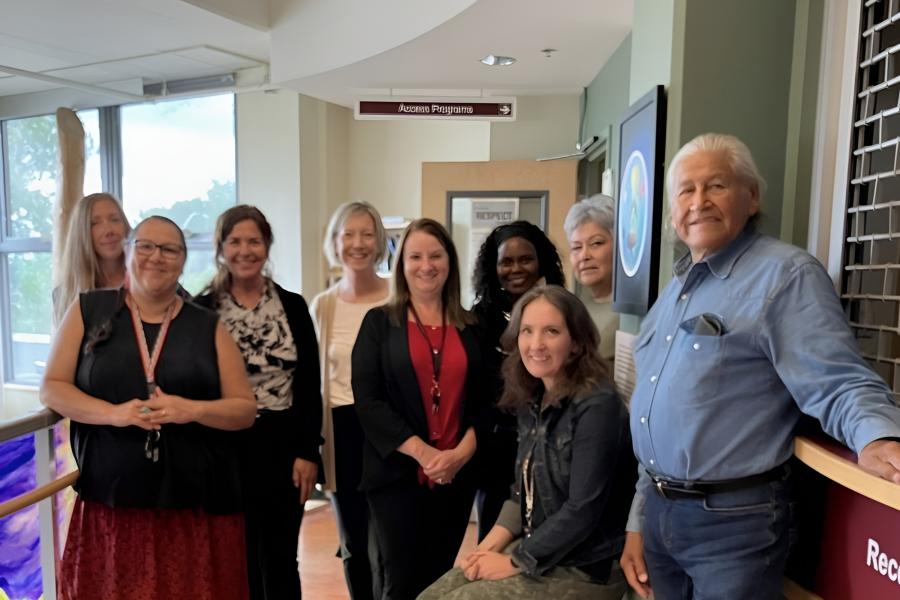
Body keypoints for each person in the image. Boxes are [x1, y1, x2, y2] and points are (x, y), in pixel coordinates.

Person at [619, 133, 900, 600]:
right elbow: (654, 418)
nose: (699, 202)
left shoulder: (785, 276)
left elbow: (836, 380)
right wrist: (637, 521)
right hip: (660, 512)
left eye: (717, 186)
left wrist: (875, 436)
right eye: (686, 190)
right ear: (671, 212)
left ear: (751, 198)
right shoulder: (675, 290)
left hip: (733, 524)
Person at [41, 216, 256, 600]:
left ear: (183, 260)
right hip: (111, 506)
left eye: (170, 249)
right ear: (127, 251)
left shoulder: (208, 326)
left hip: (193, 509)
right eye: (145, 246)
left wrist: (192, 410)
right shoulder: (89, 310)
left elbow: (243, 410)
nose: (156, 257)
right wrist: (114, 413)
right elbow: (53, 389)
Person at [420, 285, 636, 600]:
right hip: (540, 548)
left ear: (576, 343)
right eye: (527, 331)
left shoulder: (597, 406)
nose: (536, 344)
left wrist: (516, 560)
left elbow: (583, 509)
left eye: (551, 331)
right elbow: (521, 491)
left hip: (586, 567)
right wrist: (487, 547)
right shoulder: (532, 396)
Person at [351, 218, 486, 599]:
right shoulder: (378, 324)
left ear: (450, 262)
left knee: (438, 578)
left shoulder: (472, 327)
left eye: (436, 255)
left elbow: (488, 404)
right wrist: (426, 455)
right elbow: (369, 401)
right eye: (415, 256)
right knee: (400, 581)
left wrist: (458, 456)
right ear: (401, 264)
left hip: (456, 478)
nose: (426, 265)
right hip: (396, 475)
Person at [195, 205, 323, 600]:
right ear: (221, 248)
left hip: (283, 447)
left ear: (267, 246)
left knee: (282, 556)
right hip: (225, 447)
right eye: (235, 241)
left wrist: (307, 451)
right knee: (237, 556)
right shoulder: (201, 310)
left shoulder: (293, 305)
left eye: (254, 240)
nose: (245, 250)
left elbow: (308, 382)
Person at [310, 201, 390, 600]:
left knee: (391, 541)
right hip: (341, 431)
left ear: (379, 242)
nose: (357, 243)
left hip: (390, 431)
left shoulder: (398, 298)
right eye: (348, 234)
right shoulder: (322, 306)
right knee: (354, 542)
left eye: (367, 233)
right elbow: (311, 383)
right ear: (335, 241)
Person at [470, 220, 565, 541]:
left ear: (541, 261)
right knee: (494, 535)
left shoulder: (558, 309)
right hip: (495, 449)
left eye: (525, 259)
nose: (516, 269)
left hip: (550, 441)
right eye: (506, 262)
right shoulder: (479, 319)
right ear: (493, 267)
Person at [53, 192, 131, 326]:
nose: (109, 231)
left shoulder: (149, 284)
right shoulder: (64, 295)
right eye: (95, 223)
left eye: (114, 219)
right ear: (81, 234)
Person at [564, 194, 618, 361]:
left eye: (596, 243)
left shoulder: (632, 314)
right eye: (576, 247)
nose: (584, 256)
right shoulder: (572, 307)